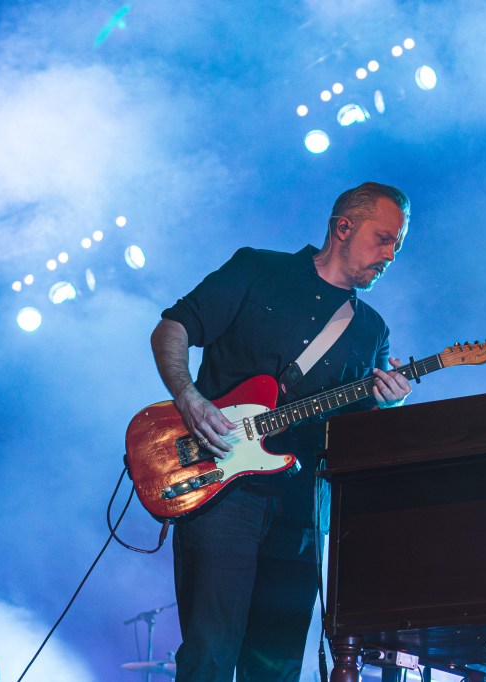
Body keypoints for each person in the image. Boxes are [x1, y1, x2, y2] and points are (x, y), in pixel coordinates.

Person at [150, 182, 414, 682]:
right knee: (210, 652)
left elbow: (358, 438)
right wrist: (189, 397)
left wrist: (390, 404)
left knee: (276, 665)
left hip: (302, 511)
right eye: (383, 239)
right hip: (225, 491)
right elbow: (173, 326)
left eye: (397, 246)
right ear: (343, 227)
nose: (390, 255)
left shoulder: (371, 330)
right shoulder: (257, 269)